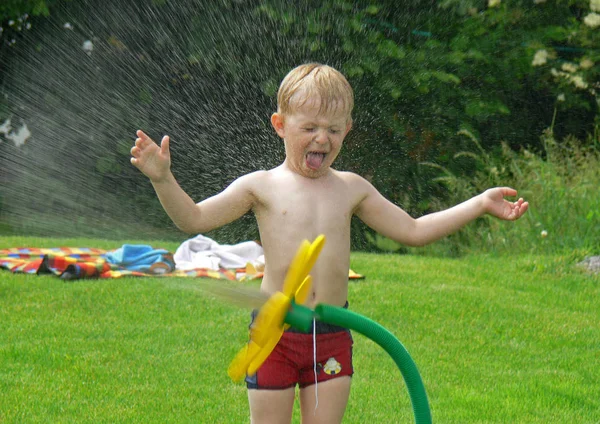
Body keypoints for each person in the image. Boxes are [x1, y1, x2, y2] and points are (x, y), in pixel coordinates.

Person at [130, 63, 528, 424]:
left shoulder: (351, 189)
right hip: (276, 336)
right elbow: (193, 219)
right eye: (310, 128)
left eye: (334, 130)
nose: (322, 138)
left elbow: (414, 231)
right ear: (280, 125)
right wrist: (163, 179)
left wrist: (478, 204)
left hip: (333, 334)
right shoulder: (261, 186)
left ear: (347, 131)